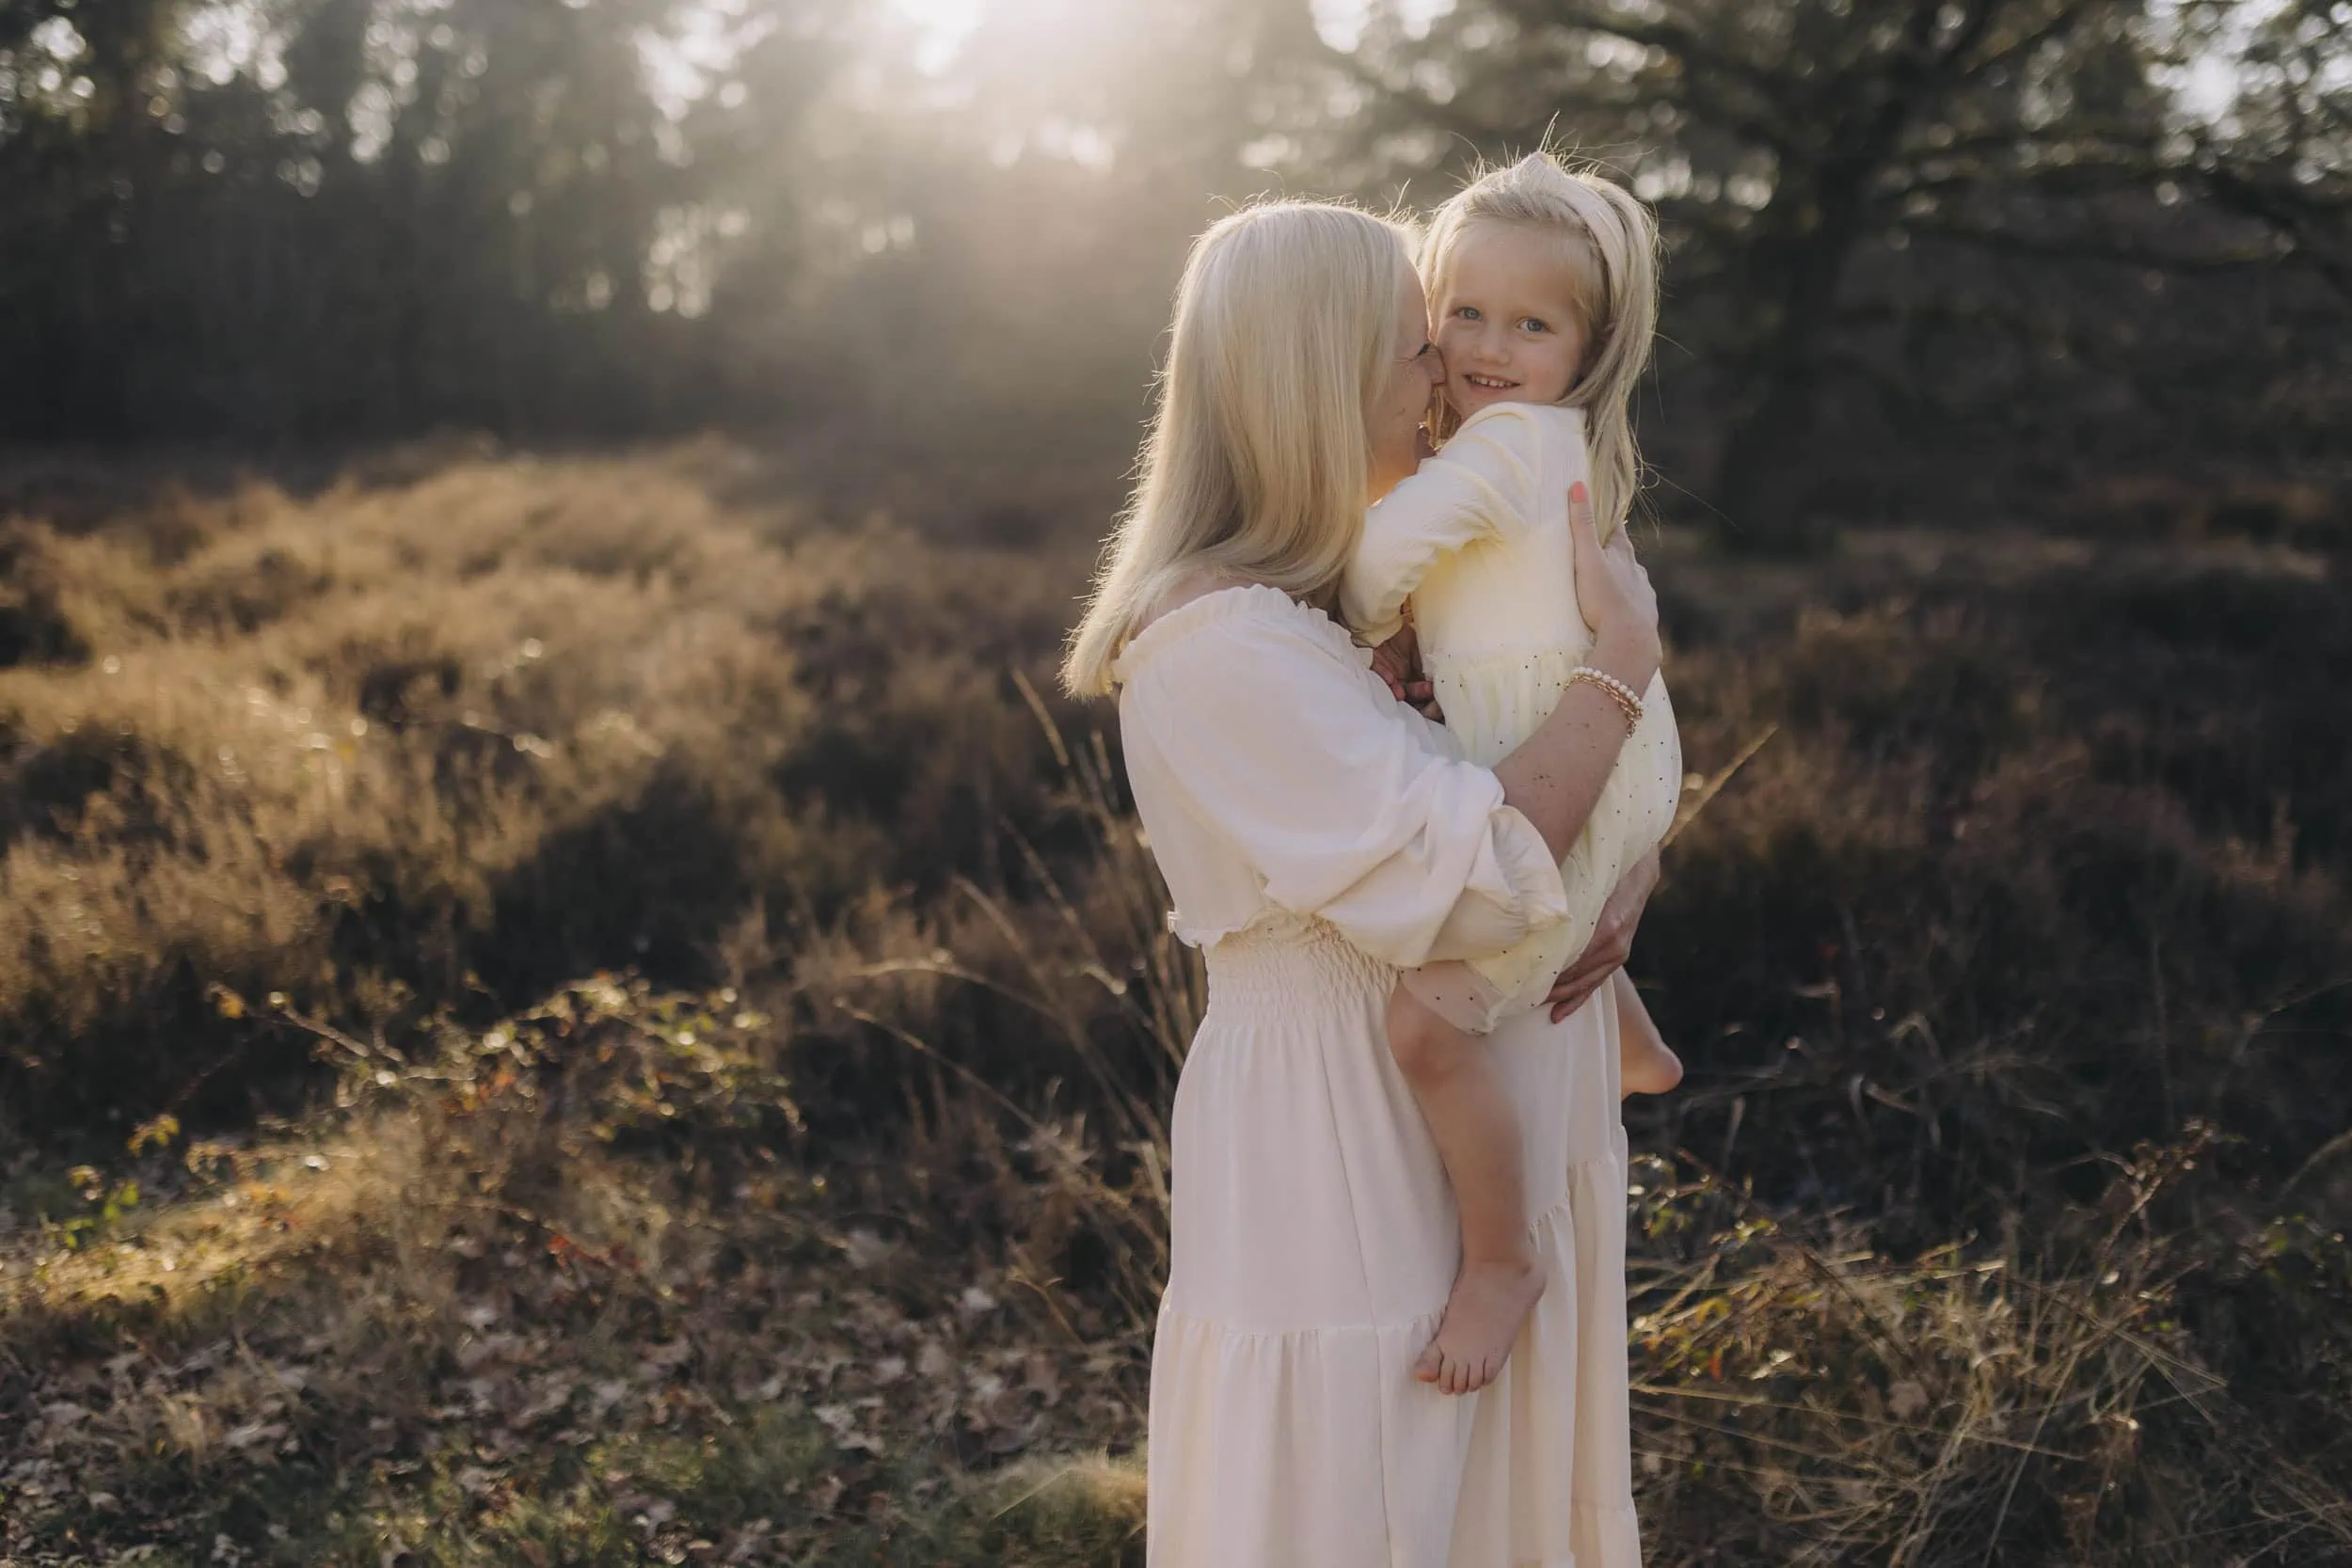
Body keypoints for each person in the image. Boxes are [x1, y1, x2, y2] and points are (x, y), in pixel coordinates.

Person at [1063, 198, 1656, 1568]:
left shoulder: (1327, 609)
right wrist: (1618, 667)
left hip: (1471, 1108)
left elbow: (1542, 800)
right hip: (1344, 1153)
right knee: (1362, 1500)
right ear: (1316, 379)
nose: (1443, 373)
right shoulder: (1220, 643)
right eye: (1414, 344)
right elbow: (1475, 879)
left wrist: (1635, 858)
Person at [1340, 152, 1686, 1397]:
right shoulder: (1549, 442)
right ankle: (1638, 1042)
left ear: (1585, 350)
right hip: (1612, 746)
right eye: (1466, 312)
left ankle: (1499, 1260)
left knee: (1426, 1030)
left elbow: (1377, 567)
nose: (1490, 344)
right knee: (1556, 923)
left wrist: (1327, 594)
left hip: (1574, 758)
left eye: (1531, 324)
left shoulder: (1500, 451)